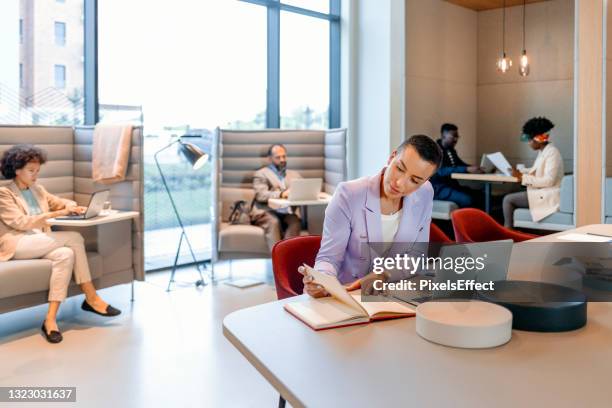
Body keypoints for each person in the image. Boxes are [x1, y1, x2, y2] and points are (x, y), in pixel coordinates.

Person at [0, 145, 121, 344]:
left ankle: (50, 320)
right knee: (73, 238)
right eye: (31, 171)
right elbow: (21, 222)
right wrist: (58, 214)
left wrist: (72, 207)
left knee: (66, 254)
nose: (35, 175)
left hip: (41, 241)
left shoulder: (37, 190)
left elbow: (59, 202)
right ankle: (91, 297)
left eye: (38, 171)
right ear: (16, 169)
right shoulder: (4, 193)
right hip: (17, 244)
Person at [303, 135, 443, 297]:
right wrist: (323, 281)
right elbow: (329, 258)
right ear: (392, 157)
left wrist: (383, 275)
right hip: (348, 295)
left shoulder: (425, 192)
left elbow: (417, 256)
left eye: (415, 180)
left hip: (394, 293)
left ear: (425, 181)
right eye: (400, 168)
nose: (399, 183)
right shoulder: (349, 194)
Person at [503, 117, 564, 227]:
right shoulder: (544, 151)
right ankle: (512, 231)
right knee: (512, 191)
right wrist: (519, 171)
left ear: (538, 139)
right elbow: (536, 170)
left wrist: (522, 177)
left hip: (549, 195)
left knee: (508, 200)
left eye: (529, 140)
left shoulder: (552, 153)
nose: (528, 143)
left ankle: (508, 232)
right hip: (542, 192)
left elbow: (548, 181)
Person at [251, 144, 302, 250]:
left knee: (295, 221)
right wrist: (281, 194)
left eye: (284, 156)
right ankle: (277, 260)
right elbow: (261, 195)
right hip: (265, 211)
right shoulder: (261, 174)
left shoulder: (294, 174)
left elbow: (303, 189)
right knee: (274, 222)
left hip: (286, 212)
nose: (282, 160)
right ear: (270, 159)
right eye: (278, 157)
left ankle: (288, 257)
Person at [430, 123, 483, 208]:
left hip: (451, 186)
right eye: (453, 136)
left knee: (480, 194)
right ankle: (462, 220)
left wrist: (475, 168)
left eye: (457, 136)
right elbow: (441, 171)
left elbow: (460, 164)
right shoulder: (434, 150)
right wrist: (466, 169)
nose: (456, 139)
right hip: (439, 188)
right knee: (467, 199)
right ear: (444, 135)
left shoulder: (451, 150)